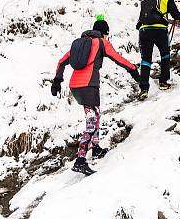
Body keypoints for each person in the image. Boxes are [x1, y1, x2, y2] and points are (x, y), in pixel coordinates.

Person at [52, 18, 140, 175]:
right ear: (104, 33)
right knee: (93, 122)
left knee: (95, 115)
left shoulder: (80, 43)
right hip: (89, 86)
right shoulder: (101, 42)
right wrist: (134, 70)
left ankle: (96, 148)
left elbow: (61, 62)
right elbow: (118, 58)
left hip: (76, 86)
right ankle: (80, 160)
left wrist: (57, 81)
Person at [135, 0, 180, 100]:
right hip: (160, 30)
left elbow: (141, 19)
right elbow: (176, 15)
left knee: (146, 59)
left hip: (144, 31)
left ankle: (144, 89)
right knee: (165, 55)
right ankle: (163, 82)